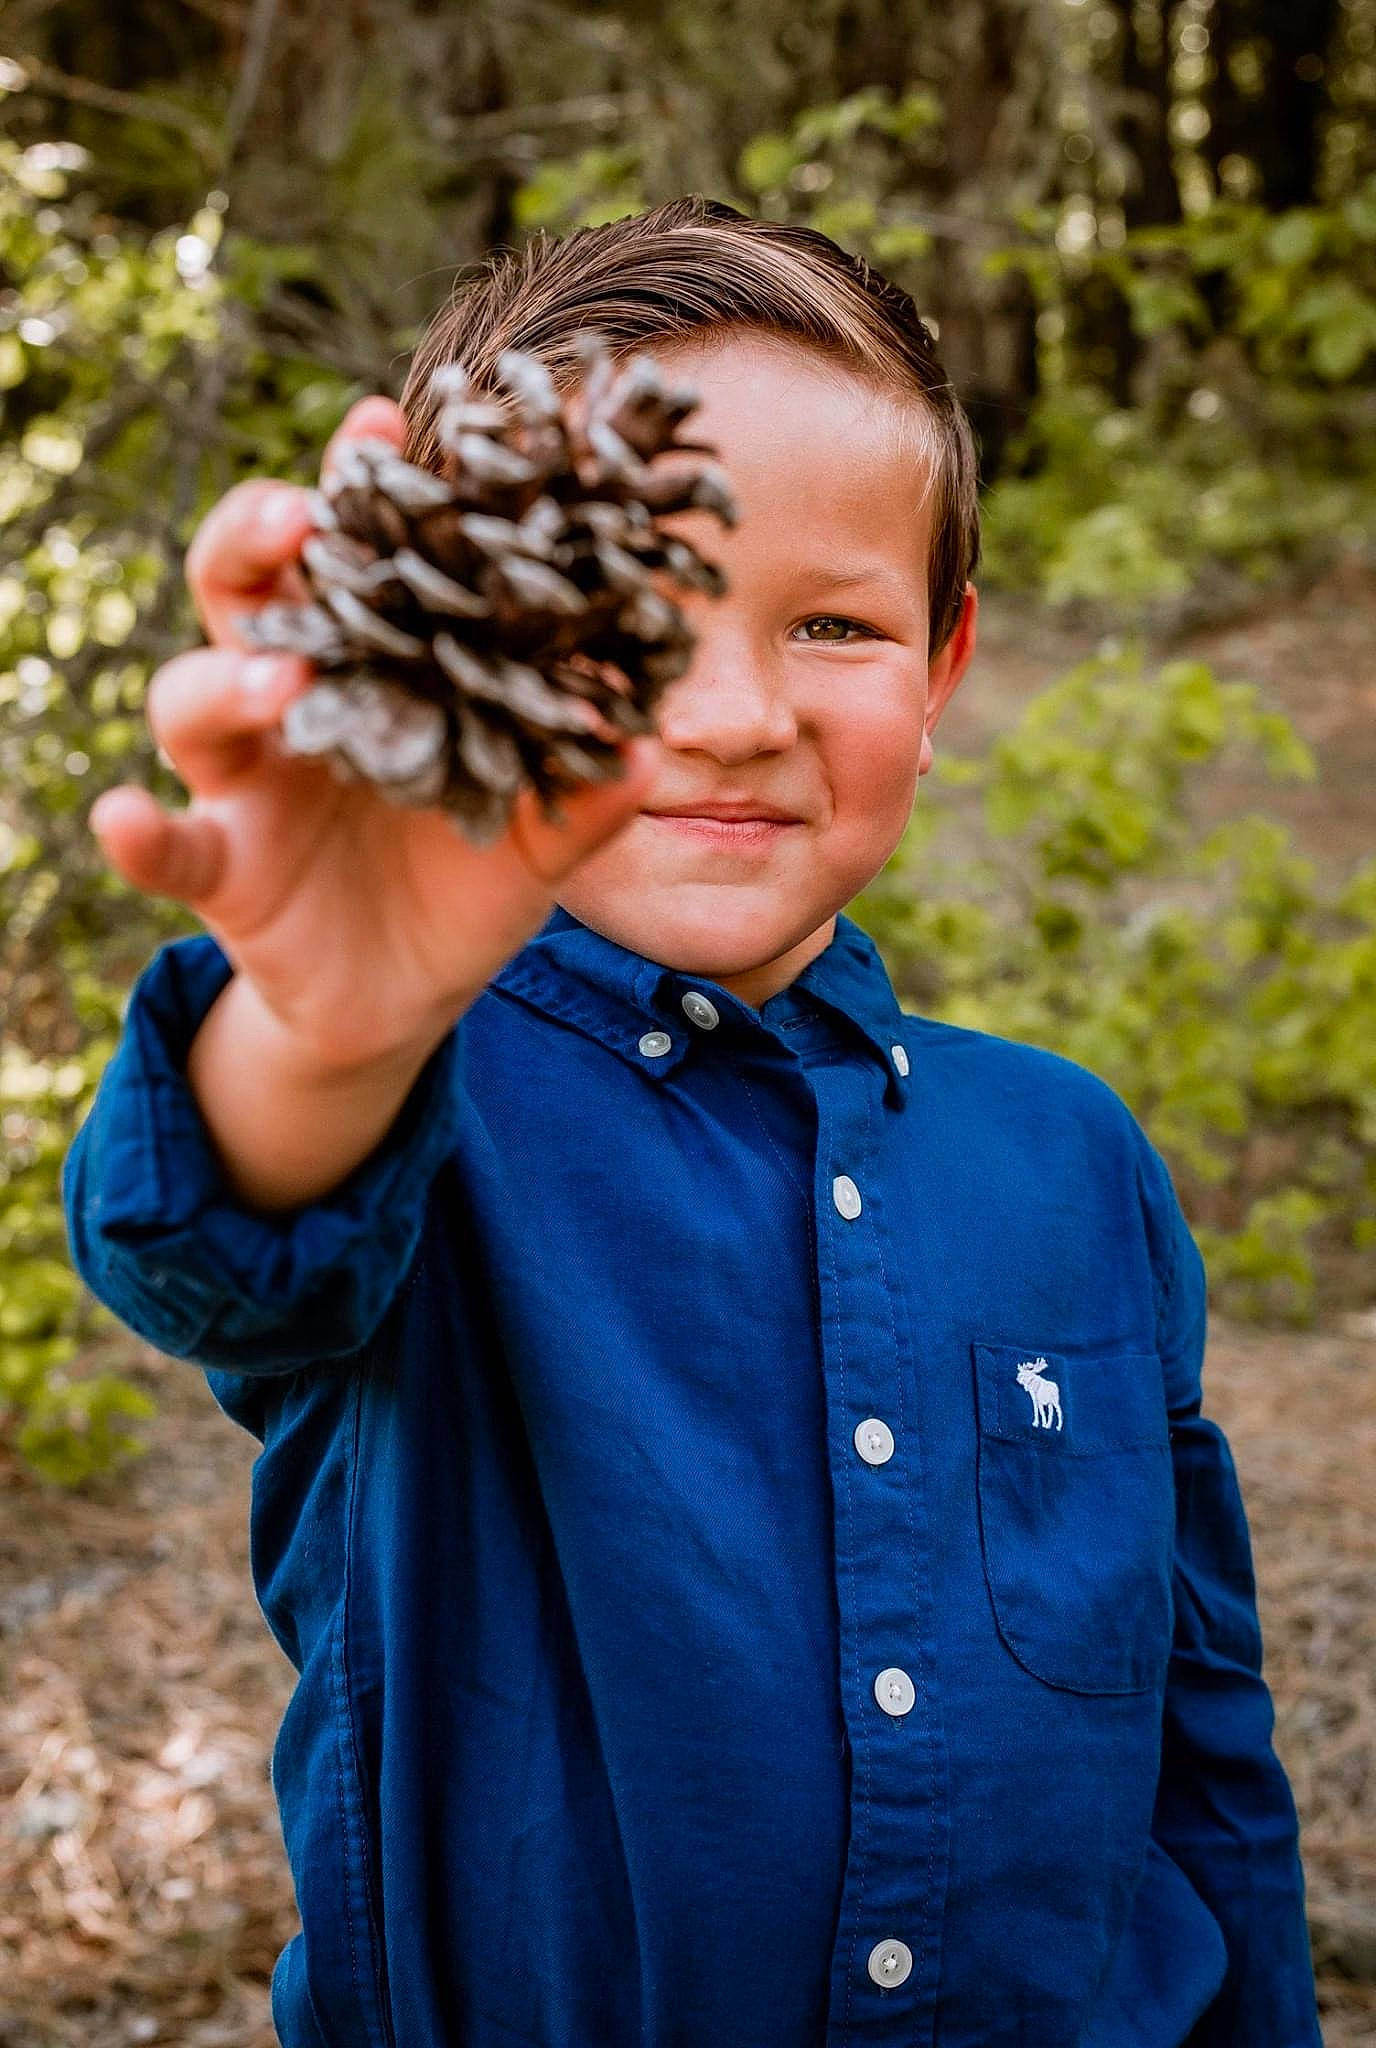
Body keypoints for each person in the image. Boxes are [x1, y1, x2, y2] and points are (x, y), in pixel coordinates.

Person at [62, 195, 1320, 2048]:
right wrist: (332, 1021)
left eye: (830, 622)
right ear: (460, 659)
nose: (732, 714)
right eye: (626, 624)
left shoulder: (1071, 1157)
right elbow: (221, 1248)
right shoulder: (419, 1096)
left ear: (945, 662)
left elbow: (1201, 1739)